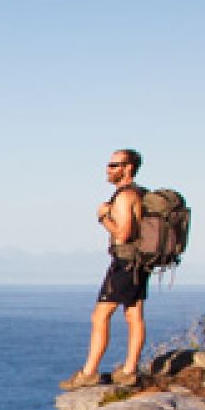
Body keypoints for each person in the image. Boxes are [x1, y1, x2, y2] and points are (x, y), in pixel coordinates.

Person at [64, 149, 148, 388]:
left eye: (114, 165)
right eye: (109, 165)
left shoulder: (124, 197)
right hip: (139, 263)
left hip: (125, 263)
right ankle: (130, 370)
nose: (108, 170)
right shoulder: (140, 194)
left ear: (128, 168)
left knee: (100, 315)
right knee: (134, 315)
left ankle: (89, 372)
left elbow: (123, 234)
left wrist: (103, 218)